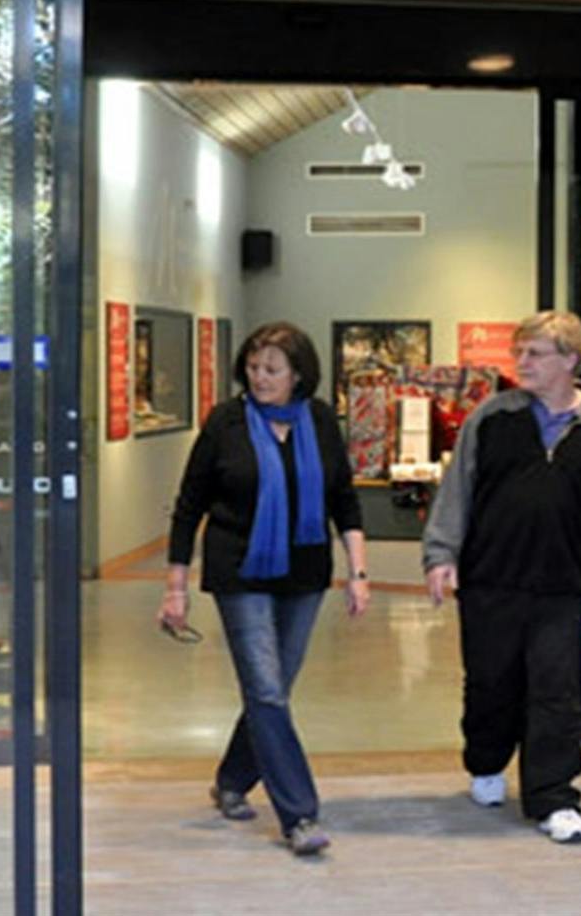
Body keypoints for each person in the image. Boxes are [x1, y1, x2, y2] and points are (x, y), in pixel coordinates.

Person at [422, 310, 581, 845]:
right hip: (490, 579)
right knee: (491, 684)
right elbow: (458, 490)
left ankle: (554, 796)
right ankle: (486, 762)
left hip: (562, 582)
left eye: (535, 354)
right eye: (519, 352)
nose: (521, 363)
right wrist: (441, 554)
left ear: (572, 360)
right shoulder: (493, 418)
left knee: (557, 692)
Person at [159, 321, 369, 857]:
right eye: (253, 368)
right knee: (268, 691)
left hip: (304, 574)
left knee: (271, 691)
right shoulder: (226, 422)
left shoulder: (319, 420)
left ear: (299, 373)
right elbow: (189, 506)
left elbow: (344, 499)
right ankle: (299, 815)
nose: (260, 378)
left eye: (272, 369)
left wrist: (358, 572)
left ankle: (231, 780)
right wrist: (175, 586)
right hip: (240, 572)